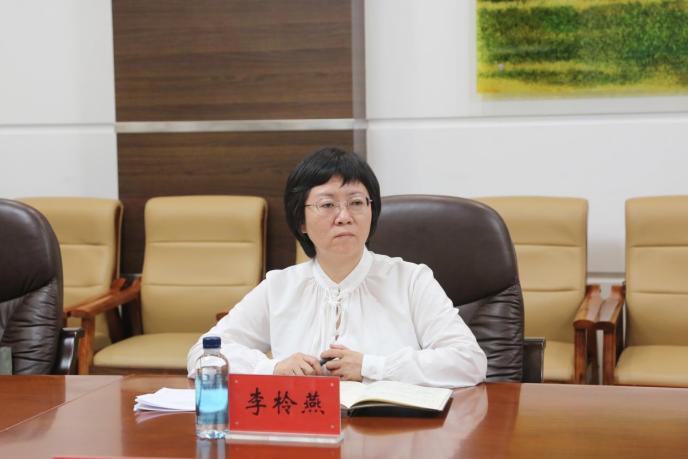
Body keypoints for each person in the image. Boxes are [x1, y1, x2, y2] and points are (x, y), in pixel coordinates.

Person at [187, 147, 487, 388]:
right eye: (327, 205)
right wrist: (273, 368)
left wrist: (371, 367)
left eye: (356, 203)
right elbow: (202, 355)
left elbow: (469, 361)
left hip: (394, 430)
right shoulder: (280, 287)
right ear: (301, 222)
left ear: (372, 211)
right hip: (306, 432)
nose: (344, 216)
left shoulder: (410, 280)